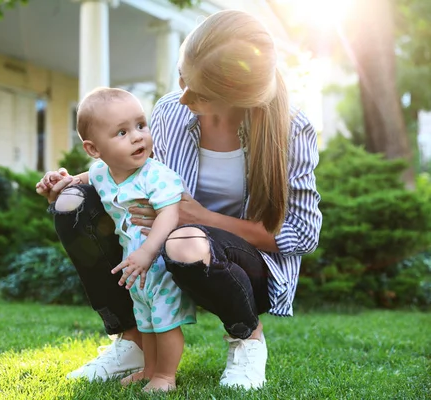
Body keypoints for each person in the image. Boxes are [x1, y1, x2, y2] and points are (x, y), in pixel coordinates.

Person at [36, 10, 322, 390]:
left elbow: (303, 234)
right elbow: (142, 173)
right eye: (182, 78)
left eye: (199, 92)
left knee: (184, 241)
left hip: (239, 259)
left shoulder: (291, 128)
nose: (182, 97)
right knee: (73, 204)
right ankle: (133, 342)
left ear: (238, 94)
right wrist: (77, 180)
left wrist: (200, 217)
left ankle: (247, 338)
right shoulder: (172, 110)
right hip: (165, 239)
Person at [41, 87, 196, 392]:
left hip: (160, 265)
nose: (138, 136)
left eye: (140, 125)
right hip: (135, 268)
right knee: (147, 322)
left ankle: (166, 375)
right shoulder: (103, 172)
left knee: (165, 324)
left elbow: (169, 214)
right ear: (94, 149)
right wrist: (61, 181)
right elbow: (81, 180)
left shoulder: (156, 175)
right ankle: (149, 369)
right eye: (122, 132)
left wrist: (149, 252)